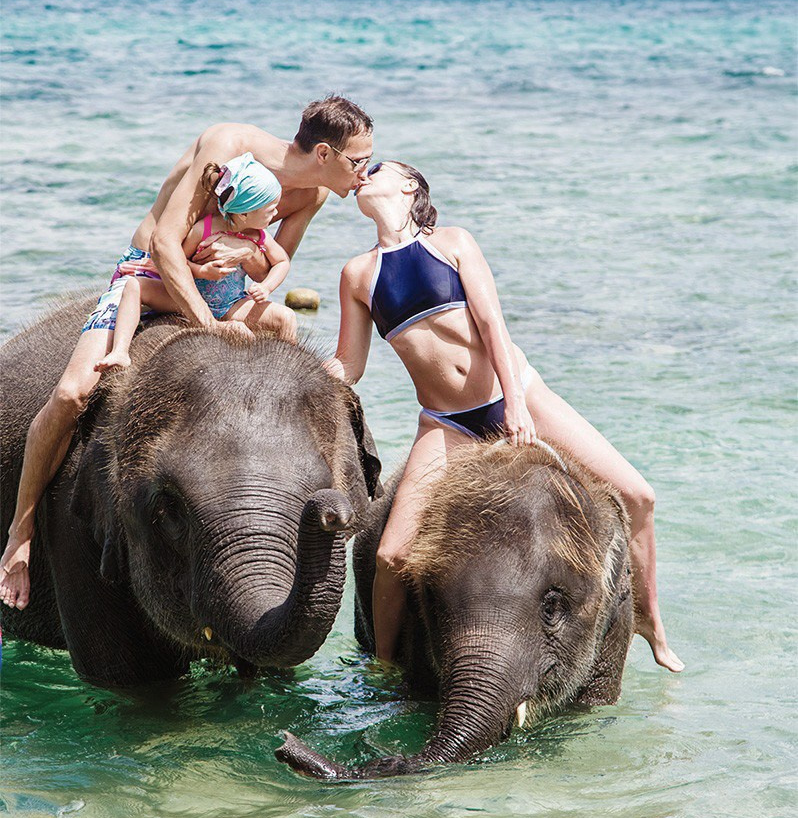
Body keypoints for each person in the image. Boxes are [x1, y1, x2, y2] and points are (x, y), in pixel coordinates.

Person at [0, 96, 374, 610]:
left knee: (280, 355)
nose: (365, 174)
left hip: (223, 290)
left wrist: (246, 252)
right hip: (150, 277)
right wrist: (208, 325)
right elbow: (164, 244)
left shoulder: (314, 195)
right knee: (71, 394)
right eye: (359, 162)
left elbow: (271, 266)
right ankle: (20, 535)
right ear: (326, 153)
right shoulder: (228, 145)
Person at [323, 160, 684, 673]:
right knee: (391, 556)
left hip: (518, 393)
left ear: (408, 186)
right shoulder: (358, 274)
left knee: (639, 495)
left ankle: (649, 621)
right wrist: (298, 368)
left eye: (377, 168)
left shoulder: (452, 243)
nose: (364, 173)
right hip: (445, 422)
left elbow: (493, 324)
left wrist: (515, 404)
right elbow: (350, 364)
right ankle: (383, 666)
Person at [95, 153, 296, 374]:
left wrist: (266, 287)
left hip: (231, 304)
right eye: (270, 209)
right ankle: (120, 351)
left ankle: (288, 371)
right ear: (245, 213)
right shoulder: (204, 229)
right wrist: (202, 271)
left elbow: (282, 262)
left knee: (286, 317)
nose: (276, 213)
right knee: (134, 286)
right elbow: (176, 262)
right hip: (189, 300)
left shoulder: (259, 235)